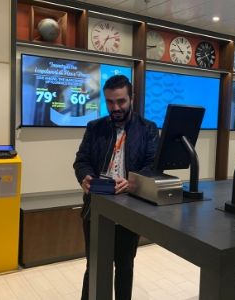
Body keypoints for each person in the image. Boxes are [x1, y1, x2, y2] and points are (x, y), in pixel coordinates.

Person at [73, 75, 159, 300]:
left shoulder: (148, 129)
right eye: (110, 102)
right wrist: (85, 177)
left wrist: (132, 182)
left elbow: (153, 166)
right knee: (95, 267)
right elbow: (81, 161)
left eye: (121, 101)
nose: (116, 107)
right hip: (97, 208)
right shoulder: (95, 128)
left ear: (131, 98)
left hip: (129, 210)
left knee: (124, 267)